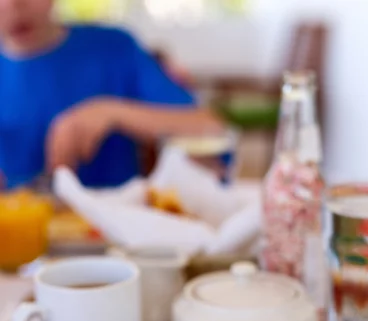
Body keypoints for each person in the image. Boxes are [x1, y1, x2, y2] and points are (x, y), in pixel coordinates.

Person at [0, 0, 221, 189]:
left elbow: (211, 126)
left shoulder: (114, 48)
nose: (14, 5)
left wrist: (112, 112)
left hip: (110, 231)